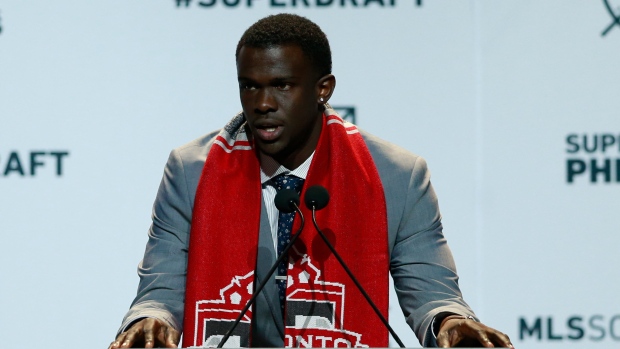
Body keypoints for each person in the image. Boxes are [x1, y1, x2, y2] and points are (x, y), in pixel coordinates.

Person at [109, 13, 513, 349]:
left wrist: (449, 322)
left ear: (323, 89)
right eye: (249, 86)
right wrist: (151, 321)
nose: (262, 104)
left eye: (281, 86)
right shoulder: (190, 171)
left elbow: (433, 294)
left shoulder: (398, 176)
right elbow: (159, 291)